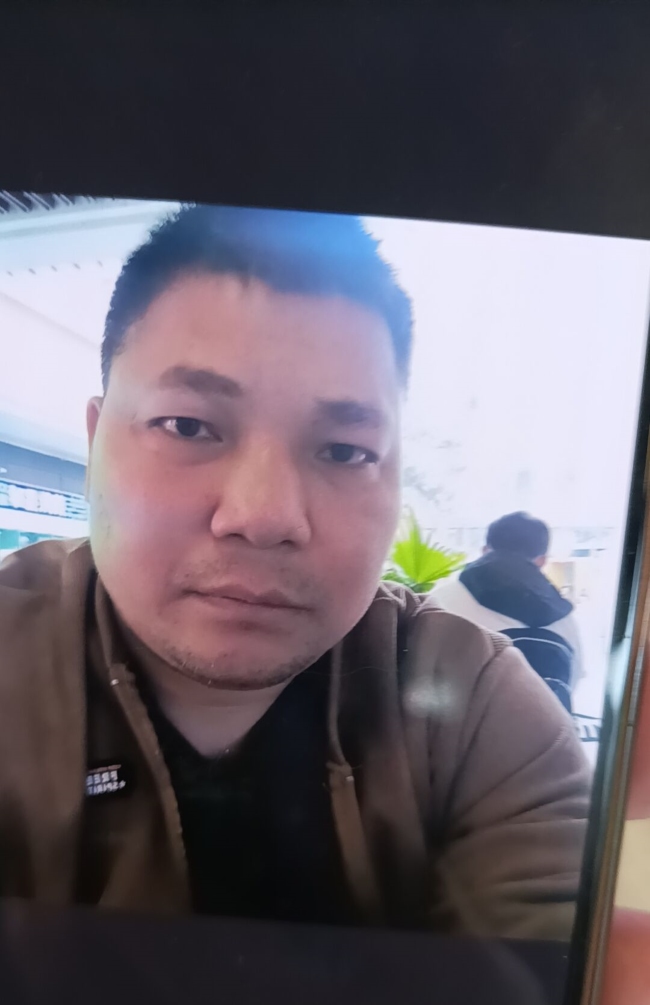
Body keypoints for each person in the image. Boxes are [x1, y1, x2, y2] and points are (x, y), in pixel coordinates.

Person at [0, 204, 590, 939]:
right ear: (95, 446)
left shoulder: (475, 707)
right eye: (188, 426)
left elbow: (541, 967)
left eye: (344, 451)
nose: (264, 515)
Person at [434, 512, 585, 712]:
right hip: (544, 729)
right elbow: (572, 683)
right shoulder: (565, 619)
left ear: (485, 551)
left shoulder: (441, 600)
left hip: (456, 727)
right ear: (541, 561)